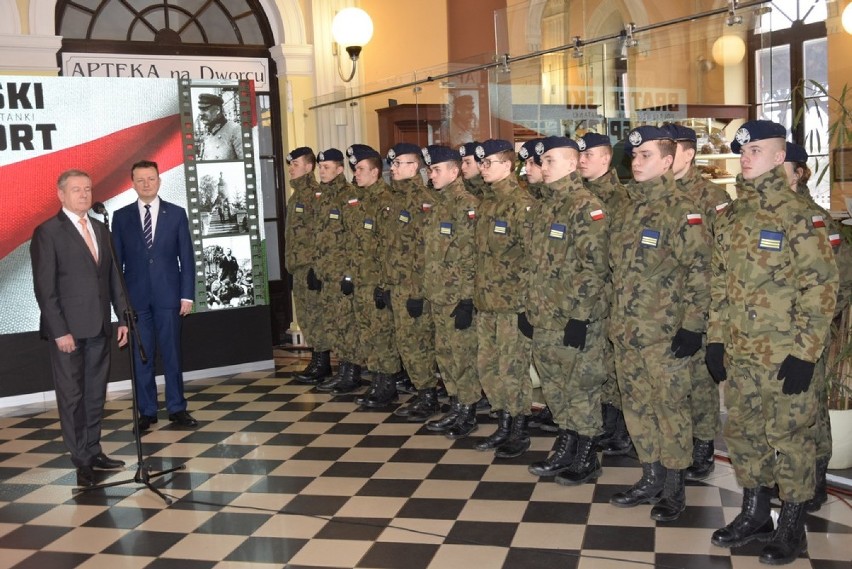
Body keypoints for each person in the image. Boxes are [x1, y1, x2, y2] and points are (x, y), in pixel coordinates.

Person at [707, 121, 838, 565]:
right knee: (744, 436)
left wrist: (805, 354)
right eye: (742, 151)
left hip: (785, 356)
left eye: (756, 150)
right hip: (741, 354)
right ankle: (755, 514)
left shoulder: (800, 215)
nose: (746, 157)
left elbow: (821, 287)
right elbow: (719, 286)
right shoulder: (732, 217)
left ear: (780, 158)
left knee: (791, 440)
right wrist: (715, 339)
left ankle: (792, 527)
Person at [608, 126, 712, 522]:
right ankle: (650, 476)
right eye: (634, 157)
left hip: (665, 335)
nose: (637, 163)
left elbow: (701, 273)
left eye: (646, 155)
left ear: (668, 161)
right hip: (628, 332)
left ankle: (674, 487)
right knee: (637, 407)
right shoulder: (628, 209)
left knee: (670, 410)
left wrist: (692, 326)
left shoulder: (683, 210)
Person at [31, 169, 130, 487]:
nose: (84, 195)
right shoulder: (48, 232)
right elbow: (44, 289)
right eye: (76, 190)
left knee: (94, 394)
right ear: (61, 194)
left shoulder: (102, 229)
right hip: (68, 333)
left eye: (88, 189)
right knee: (72, 397)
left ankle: (94, 450)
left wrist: (123, 318)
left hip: (100, 327)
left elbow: (113, 278)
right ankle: (81, 459)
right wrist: (59, 330)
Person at [525, 136, 609, 485]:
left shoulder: (586, 206)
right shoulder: (545, 206)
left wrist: (579, 316)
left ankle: (587, 452)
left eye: (550, 162)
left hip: (576, 319)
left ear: (572, 165)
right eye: (542, 162)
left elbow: (594, 267)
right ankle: (568, 440)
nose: (543, 167)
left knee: (581, 386)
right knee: (555, 385)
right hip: (545, 316)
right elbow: (535, 266)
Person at [783, 142, 851, 513]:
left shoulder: (817, 219)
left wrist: (815, 328)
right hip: (774, 335)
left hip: (809, 332)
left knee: (809, 410)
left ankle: (815, 479)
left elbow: (839, 282)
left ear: (799, 173)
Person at [664, 123, 731, 481]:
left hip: (698, 305)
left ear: (688, 154)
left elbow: (717, 260)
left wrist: (702, 316)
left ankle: (703, 444)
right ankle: (675, 445)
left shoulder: (712, 198)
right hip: (660, 308)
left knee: (699, 381)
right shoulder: (654, 197)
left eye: (669, 148)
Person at [112, 160, 198, 432]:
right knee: (142, 357)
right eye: (140, 179)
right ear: (133, 183)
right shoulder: (121, 217)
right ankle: (147, 412)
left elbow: (187, 258)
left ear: (159, 180)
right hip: (136, 301)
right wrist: (122, 305)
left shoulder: (177, 214)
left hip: (169, 297)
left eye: (151, 178)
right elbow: (117, 265)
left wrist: (187, 295)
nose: (146, 183)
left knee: (172, 354)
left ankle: (177, 408)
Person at [472, 139, 535, 458]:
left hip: (512, 305)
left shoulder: (520, 204)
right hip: (487, 303)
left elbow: (532, 258)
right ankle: (504, 421)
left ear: (507, 166)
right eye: (481, 164)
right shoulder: (486, 202)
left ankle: (519, 428)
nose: (482, 169)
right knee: (488, 365)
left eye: (488, 163)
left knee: (512, 368)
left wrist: (527, 306)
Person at [421, 145, 481, 438]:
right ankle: (456, 404)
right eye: (430, 170)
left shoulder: (466, 205)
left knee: (462, 355)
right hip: (438, 295)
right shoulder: (438, 204)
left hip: (457, 298)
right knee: (445, 354)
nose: (431, 175)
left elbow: (471, 256)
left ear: (454, 172)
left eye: (436, 170)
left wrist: (467, 298)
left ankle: (468, 410)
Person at [577, 132, 630, 456]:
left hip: (610, 297)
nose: (582, 160)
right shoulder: (580, 197)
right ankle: (605, 424)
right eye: (579, 155)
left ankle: (620, 428)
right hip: (589, 299)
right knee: (597, 367)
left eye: (588, 155)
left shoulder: (619, 200)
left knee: (613, 367)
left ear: (606, 159)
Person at [380, 142, 440, 421]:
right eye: (391, 164)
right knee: (406, 341)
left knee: (417, 342)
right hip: (396, 284)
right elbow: (387, 247)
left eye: (398, 163)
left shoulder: (424, 200)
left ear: (414, 167)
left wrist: (417, 292)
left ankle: (428, 395)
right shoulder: (395, 199)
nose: (392, 168)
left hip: (414, 288)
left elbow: (425, 252)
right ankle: (421, 390)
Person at [344, 144, 403, 408]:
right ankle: (377, 381)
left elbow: (388, 247)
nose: (355, 174)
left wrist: (383, 285)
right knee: (368, 334)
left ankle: (387, 385)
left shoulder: (386, 201)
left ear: (376, 172)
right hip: (360, 280)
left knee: (382, 335)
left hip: (376, 283)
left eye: (359, 169)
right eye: (354, 170)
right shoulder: (360, 201)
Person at [312, 148, 364, 394]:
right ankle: (342, 368)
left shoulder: (349, 196)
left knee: (347, 325)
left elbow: (354, 239)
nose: (321, 171)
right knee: (334, 324)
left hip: (342, 275)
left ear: (340, 169)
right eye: (320, 167)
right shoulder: (323, 196)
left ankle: (352, 372)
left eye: (327, 167)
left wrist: (349, 275)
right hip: (327, 275)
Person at [284, 147, 333, 383]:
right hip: (298, 267)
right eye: (290, 164)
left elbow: (321, 235)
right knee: (306, 316)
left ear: (308, 167)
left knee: (316, 315)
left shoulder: (315, 195)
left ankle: (322, 362)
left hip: (310, 268)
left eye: (295, 164)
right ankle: (316, 358)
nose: (291, 168)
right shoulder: (297, 196)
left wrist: (316, 266)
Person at [197, 93, 243, 161]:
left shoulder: (235, 130)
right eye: (200, 109)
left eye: (205, 109)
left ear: (217, 110)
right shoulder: (207, 134)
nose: (200, 113)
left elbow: (243, 163)